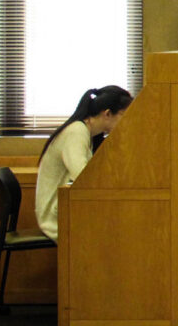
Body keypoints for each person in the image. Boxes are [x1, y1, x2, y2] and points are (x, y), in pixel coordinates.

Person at [35, 85, 134, 242]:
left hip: (62, 209)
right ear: (107, 113)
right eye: (123, 115)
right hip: (55, 218)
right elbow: (83, 178)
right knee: (123, 229)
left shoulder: (86, 133)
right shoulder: (77, 132)